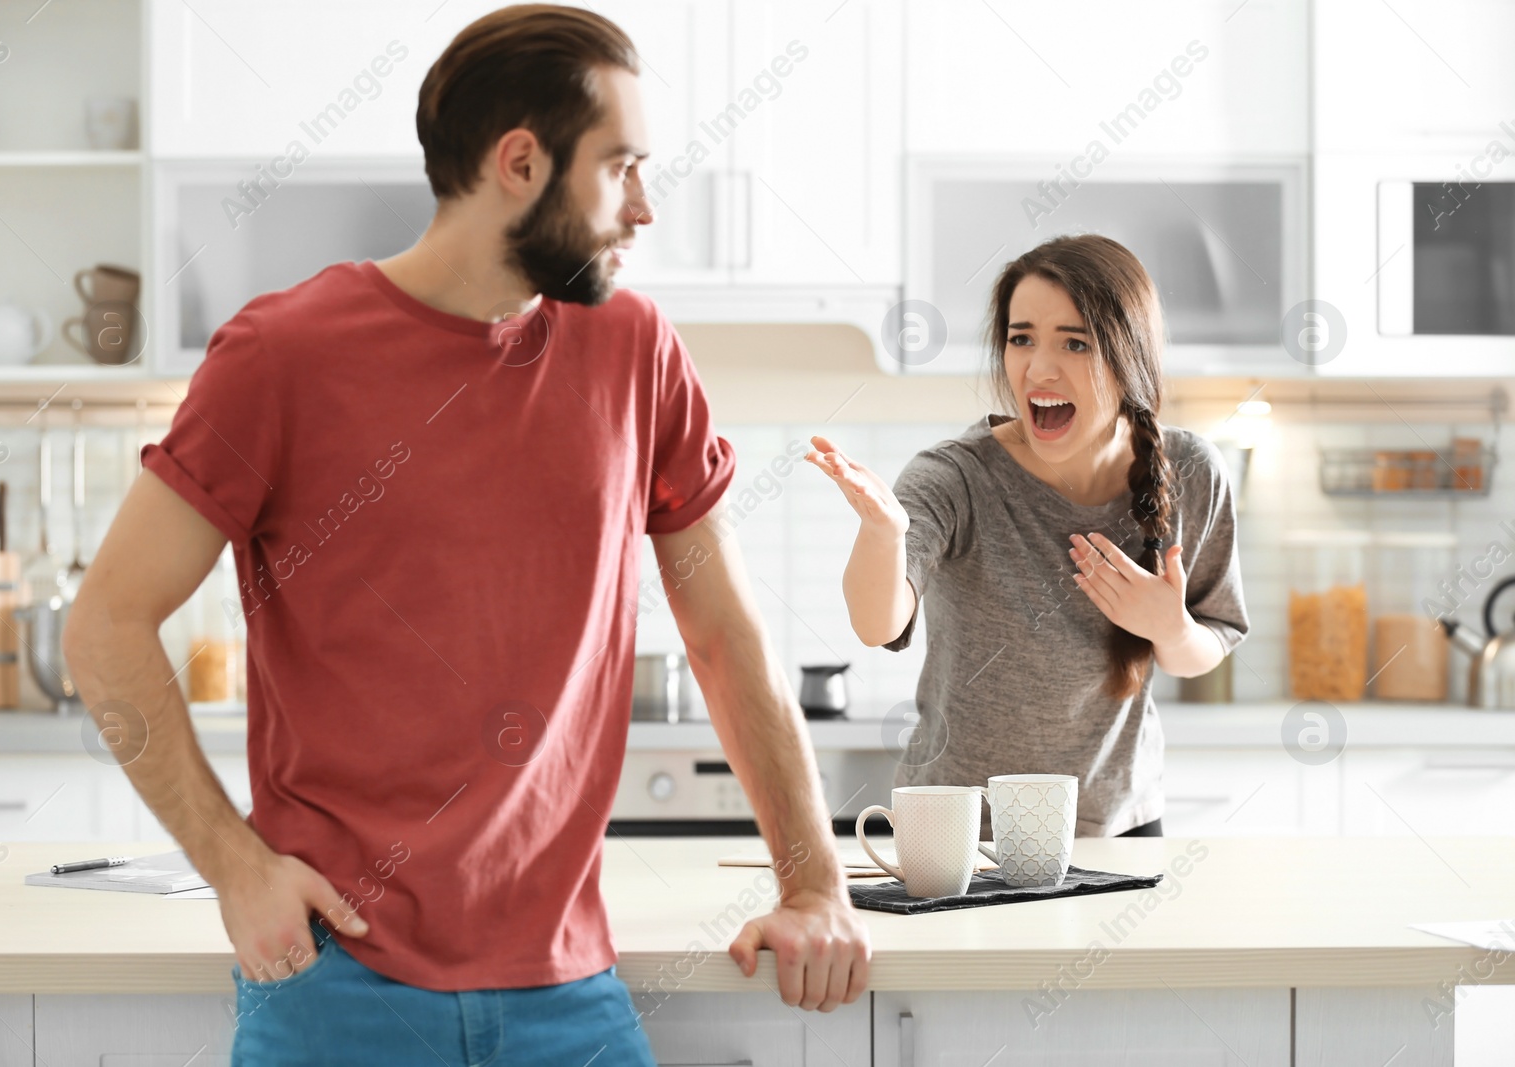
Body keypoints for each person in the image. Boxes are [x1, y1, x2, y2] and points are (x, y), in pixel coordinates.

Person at [62, 6, 869, 1064]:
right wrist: (234, 865)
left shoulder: (634, 351)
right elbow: (106, 624)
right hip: (335, 983)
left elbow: (723, 633)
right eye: (619, 166)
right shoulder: (282, 355)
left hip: (567, 991)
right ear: (521, 163)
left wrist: (814, 880)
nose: (644, 208)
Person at [806, 234, 1249, 838]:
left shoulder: (1193, 471)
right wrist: (884, 534)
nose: (1039, 369)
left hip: (1113, 824)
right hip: (958, 830)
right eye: (1021, 339)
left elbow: (1211, 639)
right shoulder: (954, 476)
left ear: (1129, 356)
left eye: (1075, 342)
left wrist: (1170, 628)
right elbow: (876, 623)